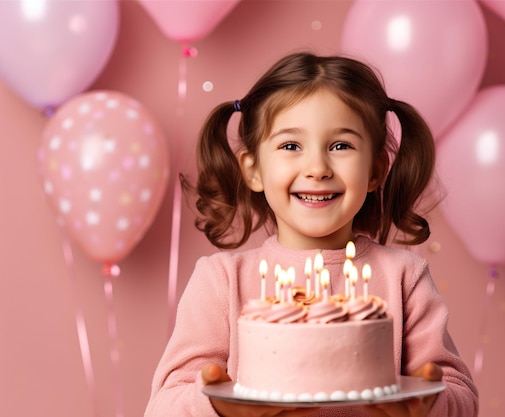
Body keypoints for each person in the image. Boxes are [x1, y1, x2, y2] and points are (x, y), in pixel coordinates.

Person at [145, 51, 478, 417]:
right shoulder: (221, 282)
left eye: (341, 146)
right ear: (253, 170)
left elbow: (460, 396)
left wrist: (427, 407)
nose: (317, 168)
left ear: (375, 170)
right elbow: (164, 405)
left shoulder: (404, 278)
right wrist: (220, 407)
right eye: (290, 146)